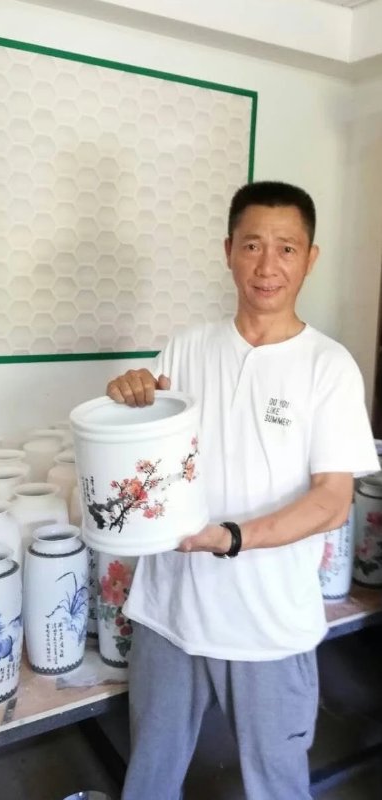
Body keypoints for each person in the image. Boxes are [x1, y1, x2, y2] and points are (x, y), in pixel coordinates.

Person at [106, 181, 379, 800]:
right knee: (148, 782)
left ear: (310, 259)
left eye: (287, 248)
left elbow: (332, 501)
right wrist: (126, 399)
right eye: (252, 245)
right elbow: (144, 457)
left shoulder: (329, 366)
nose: (267, 264)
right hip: (169, 615)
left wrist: (230, 538)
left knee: (276, 787)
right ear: (229, 250)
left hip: (269, 626)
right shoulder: (185, 348)